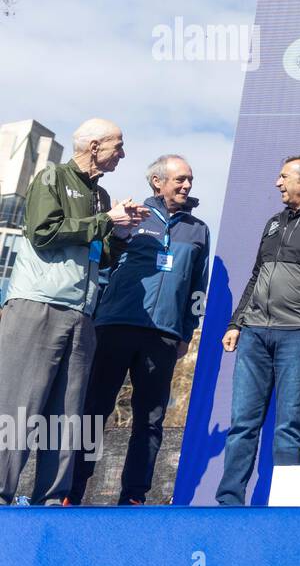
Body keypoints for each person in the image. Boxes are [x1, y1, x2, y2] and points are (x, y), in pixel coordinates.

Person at [0, 119, 145, 505]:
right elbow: (43, 233)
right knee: (19, 408)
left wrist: (121, 232)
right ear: (95, 146)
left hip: (82, 315)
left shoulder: (102, 195)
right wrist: (105, 221)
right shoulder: (51, 177)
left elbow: (101, 253)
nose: (123, 153)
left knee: (66, 418)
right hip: (38, 305)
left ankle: (52, 499)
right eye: (119, 145)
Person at [70, 154, 210, 505]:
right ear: (157, 182)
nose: (187, 185)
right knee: (94, 410)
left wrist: (185, 331)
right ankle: (71, 489)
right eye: (180, 179)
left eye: (189, 179)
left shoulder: (198, 229)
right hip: (115, 325)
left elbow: (197, 287)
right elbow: (102, 266)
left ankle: (134, 495)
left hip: (162, 334)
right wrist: (93, 315)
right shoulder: (131, 215)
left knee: (150, 418)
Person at [215, 155, 300, 505]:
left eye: (284, 177)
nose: (277, 183)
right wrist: (237, 322)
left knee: (289, 424)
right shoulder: (273, 222)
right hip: (254, 334)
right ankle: (229, 500)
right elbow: (256, 275)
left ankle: (284, 503)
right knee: (242, 424)